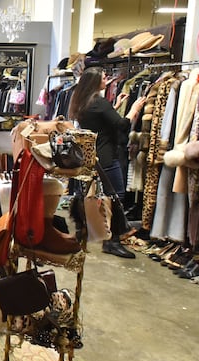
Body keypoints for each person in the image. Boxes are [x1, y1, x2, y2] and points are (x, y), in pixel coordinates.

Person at [68, 66, 146, 258]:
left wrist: (115, 106)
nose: (107, 79)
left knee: (87, 193)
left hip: (90, 154)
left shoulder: (83, 101)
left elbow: (100, 120)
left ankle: (82, 230)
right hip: (106, 156)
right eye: (104, 77)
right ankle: (112, 242)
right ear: (96, 81)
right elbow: (121, 125)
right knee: (115, 196)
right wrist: (134, 110)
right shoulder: (99, 102)